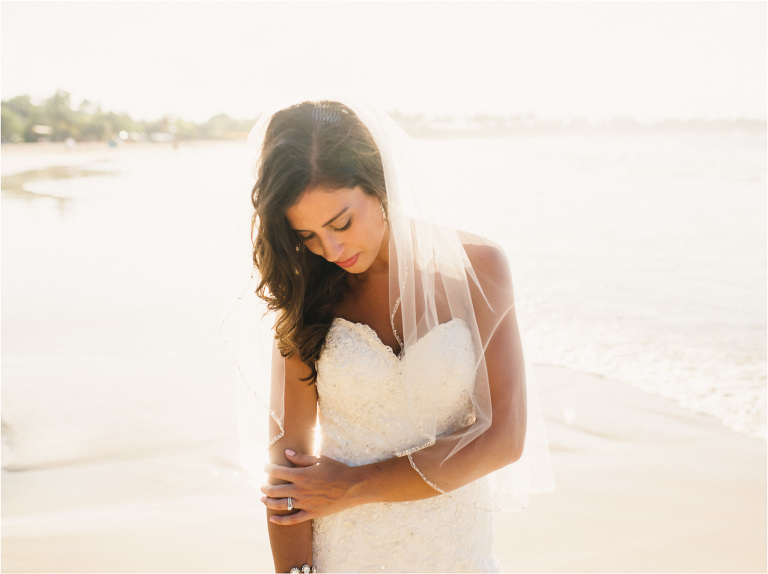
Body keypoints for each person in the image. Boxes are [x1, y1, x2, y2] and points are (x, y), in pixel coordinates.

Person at [225, 100, 553, 573]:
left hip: (458, 554)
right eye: (309, 236)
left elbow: (505, 436)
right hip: (348, 557)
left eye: (341, 223)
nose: (332, 249)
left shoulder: (479, 269)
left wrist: (354, 485)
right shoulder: (306, 297)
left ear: (378, 184)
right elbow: (287, 478)